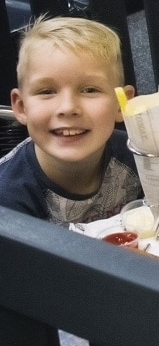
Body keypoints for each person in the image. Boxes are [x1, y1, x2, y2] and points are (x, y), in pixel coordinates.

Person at [0, 16, 141, 224]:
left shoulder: (139, 155)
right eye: (47, 91)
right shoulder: (8, 200)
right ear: (21, 107)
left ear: (121, 104)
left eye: (90, 90)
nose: (68, 108)